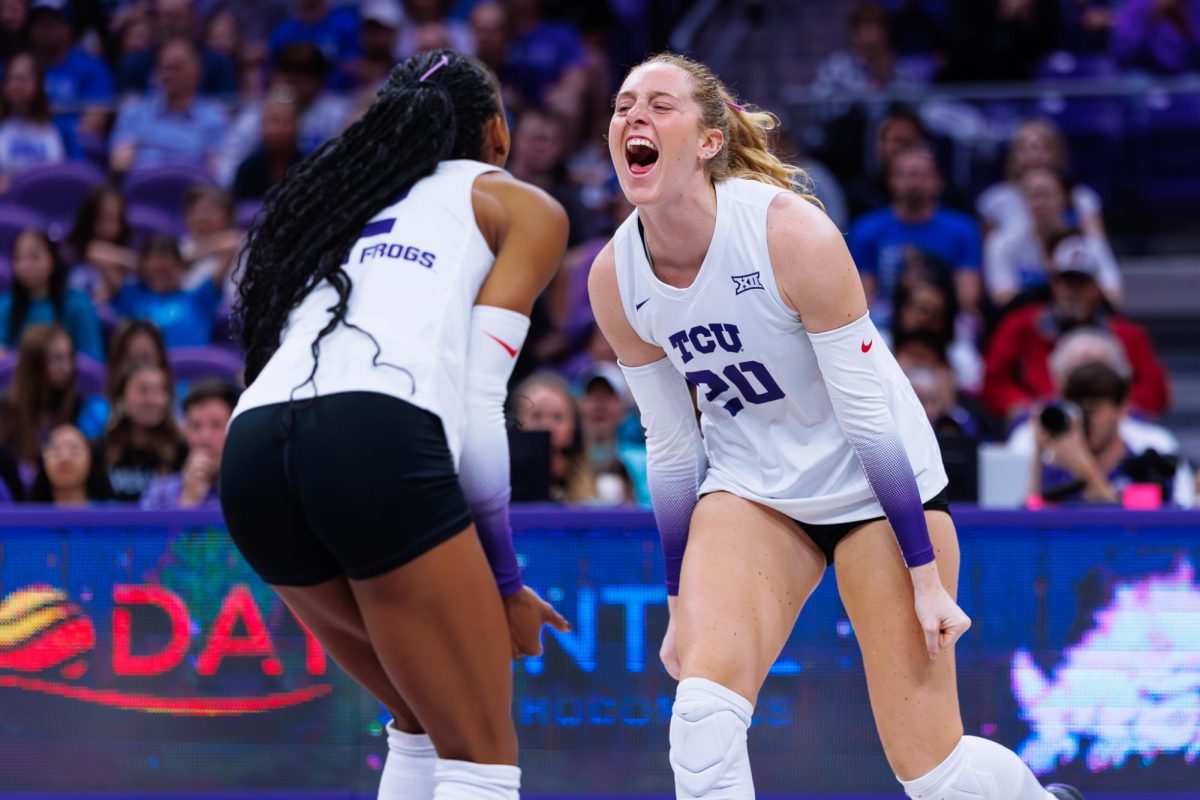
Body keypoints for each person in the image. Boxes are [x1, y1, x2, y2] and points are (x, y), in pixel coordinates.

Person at [588, 52, 1080, 800]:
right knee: (700, 720)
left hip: (873, 491)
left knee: (935, 775)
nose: (634, 118)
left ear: (711, 139)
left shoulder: (789, 234)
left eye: (659, 104)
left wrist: (924, 576)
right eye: (624, 105)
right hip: (751, 489)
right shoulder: (613, 277)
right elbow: (673, 444)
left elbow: (868, 412)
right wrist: (679, 605)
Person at [220, 50, 570, 800]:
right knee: (480, 757)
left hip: (251, 452)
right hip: (371, 437)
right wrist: (505, 579)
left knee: (418, 723)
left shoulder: (341, 205)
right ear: (497, 135)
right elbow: (478, 408)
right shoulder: (518, 205)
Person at [982, 234, 1168, 424]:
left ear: (1097, 287)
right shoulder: (1020, 325)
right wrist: (1026, 407)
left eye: (1081, 283)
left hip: (1114, 425)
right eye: (1065, 283)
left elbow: (1155, 390)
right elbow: (995, 381)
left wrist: (1114, 409)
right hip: (1040, 422)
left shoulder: (1128, 335)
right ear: (1053, 284)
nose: (1071, 292)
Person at [847, 145, 983, 327]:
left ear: (937, 181)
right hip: (885, 322)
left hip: (944, 319)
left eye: (922, 175)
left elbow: (967, 298)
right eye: (905, 175)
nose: (914, 183)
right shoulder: (866, 229)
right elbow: (864, 298)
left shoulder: (963, 229)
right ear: (891, 181)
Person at [1023, 362, 1194, 507]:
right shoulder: (1059, 469)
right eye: (1076, 412)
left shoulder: (1146, 469)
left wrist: (1086, 471)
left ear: (1121, 409)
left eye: (1091, 411)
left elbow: (1137, 533)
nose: (1083, 422)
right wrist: (1039, 454)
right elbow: (1028, 525)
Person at [984, 172, 1122, 309]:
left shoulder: (1089, 245)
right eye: (1032, 196)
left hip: (1079, 322)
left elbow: (1114, 297)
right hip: (1026, 324)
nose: (1039, 203)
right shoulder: (1003, 244)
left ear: (1064, 198)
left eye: (1044, 195)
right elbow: (1002, 299)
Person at [109, 37, 228, 175]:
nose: (168, 75)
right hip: (142, 189)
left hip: (190, 190)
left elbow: (215, 174)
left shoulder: (213, 119)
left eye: (176, 68)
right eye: (165, 68)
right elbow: (119, 166)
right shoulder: (134, 112)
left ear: (197, 71)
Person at [0, 323, 108, 475]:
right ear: (33, 363)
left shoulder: (83, 408)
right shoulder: (6, 410)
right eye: (57, 359)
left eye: (69, 358)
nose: (67, 367)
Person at [106, 234, 228, 348]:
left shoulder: (198, 298)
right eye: (155, 270)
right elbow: (93, 252)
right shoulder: (130, 295)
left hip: (194, 368)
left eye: (167, 270)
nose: (161, 275)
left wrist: (189, 258)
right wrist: (137, 263)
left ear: (180, 266)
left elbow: (230, 244)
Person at [0, 230, 104, 361]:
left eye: (34, 256)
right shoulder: (5, 303)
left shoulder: (78, 302)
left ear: (52, 259)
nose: (24, 265)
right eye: (18, 258)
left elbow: (92, 359)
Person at [142, 380, 240, 509]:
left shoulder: (254, 489)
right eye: (195, 426)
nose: (204, 438)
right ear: (185, 432)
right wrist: (188, 500)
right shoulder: (158, 493)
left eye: (216, 425)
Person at [102, 361, 185, 502]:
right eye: (143, 390)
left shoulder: (181, 452)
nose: (154, 400)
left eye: (161, 390)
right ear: (121, 397)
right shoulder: (99, 452)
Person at [513, 371, 599, 504]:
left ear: (573, 428)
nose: (546, 426)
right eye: (536, 416)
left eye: (557, 417)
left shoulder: (596, 489)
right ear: (518, 422)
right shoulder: (498, 486)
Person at [0, 51, 66, 189]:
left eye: (22, 79)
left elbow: (75, 175)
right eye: (10, 79)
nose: (15, 85)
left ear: (39, 84)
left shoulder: (60, 127)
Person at [27, 423, 114, 505]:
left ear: (91, 457)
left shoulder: (113, 515)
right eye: (56, 450)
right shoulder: (26, 517)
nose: (65, 458)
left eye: (74, 449)